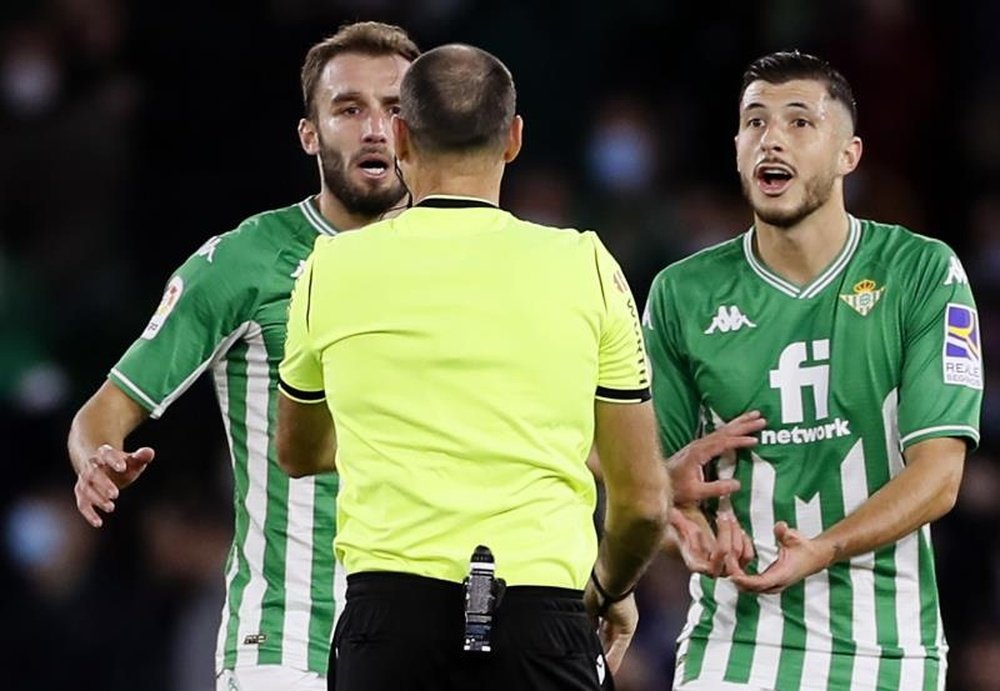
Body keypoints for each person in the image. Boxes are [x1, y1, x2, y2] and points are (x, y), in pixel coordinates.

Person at [276, 42, 677, 691]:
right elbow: (642, 502)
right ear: (514, 139)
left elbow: (297, 450)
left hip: (389, 630)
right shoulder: (587, 266)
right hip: (542, 619)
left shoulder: (331, 267)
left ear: (400, 137)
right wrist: (608, 587)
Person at [66, 21, 420, 691]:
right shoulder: (246, 259)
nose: (376, 128)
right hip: (287, 640)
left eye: (396, 108)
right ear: (309, 134)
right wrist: (96, 460)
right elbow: (102, 414)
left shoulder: (467, 264)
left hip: (430, 641)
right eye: (349, 109)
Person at [642, 50, 983, 691]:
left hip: (889, 650)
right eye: (754, 123)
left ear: (849, 154)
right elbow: (656, 487)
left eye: (800, 122)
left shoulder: (922, 272)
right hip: (735, 648)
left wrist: (821, 549)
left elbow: (940, 476)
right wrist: (671, 517)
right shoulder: (681, 294)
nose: (771, 138)